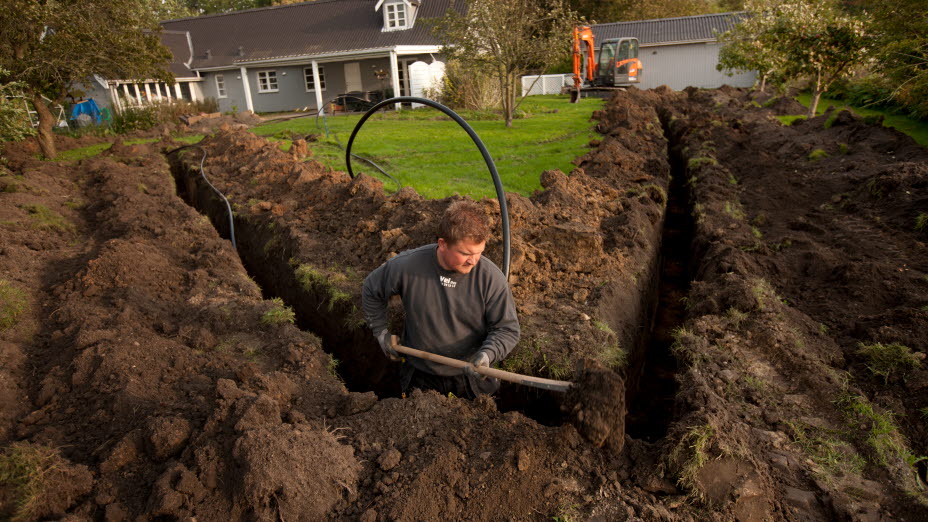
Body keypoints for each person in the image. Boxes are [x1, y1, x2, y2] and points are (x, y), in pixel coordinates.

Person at [361, 200, 520, 398]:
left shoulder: (490, 278)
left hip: (469, 377)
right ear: (443, 244)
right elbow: (371, 289)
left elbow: (507, 329)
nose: (474, 260)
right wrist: (381, 333)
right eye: (465, 253)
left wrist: (487, 354)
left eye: (479, 253)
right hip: (420, 375)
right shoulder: (408, 266)